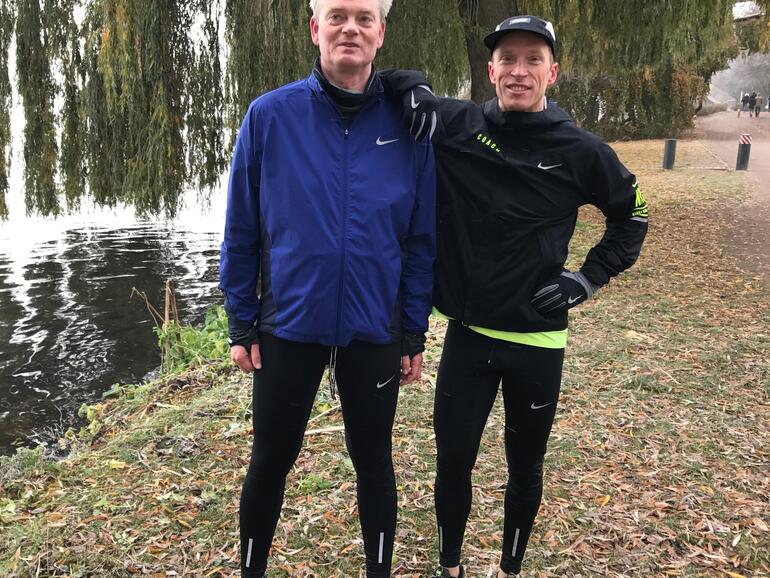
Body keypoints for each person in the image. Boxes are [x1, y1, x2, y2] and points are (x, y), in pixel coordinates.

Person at [383, 14, 648, 578]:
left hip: (538, 341)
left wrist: (587, 278)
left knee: (525, 466)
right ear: (491, 70)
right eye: (507, 59)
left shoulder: (581, 150)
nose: (518, 71)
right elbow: (382, 80)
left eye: (533, 60)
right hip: (469, 336)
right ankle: (450, 566)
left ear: (553, 72)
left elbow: (633, 216)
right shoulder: (459, 124)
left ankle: (510, 567)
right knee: (453, 462)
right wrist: (418, 88)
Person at [219, 0, 436, 576]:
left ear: (381, 33)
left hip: (374, 326)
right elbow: (241, 229)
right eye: (337, 16)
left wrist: (412, 329)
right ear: (315, 28)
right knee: (270, 459)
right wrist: (241, 321)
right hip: (289, 323)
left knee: (375, 461)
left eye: (364, 19)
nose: (350, 29)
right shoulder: (270, 116)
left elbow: (420, 239)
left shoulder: (410, 124)